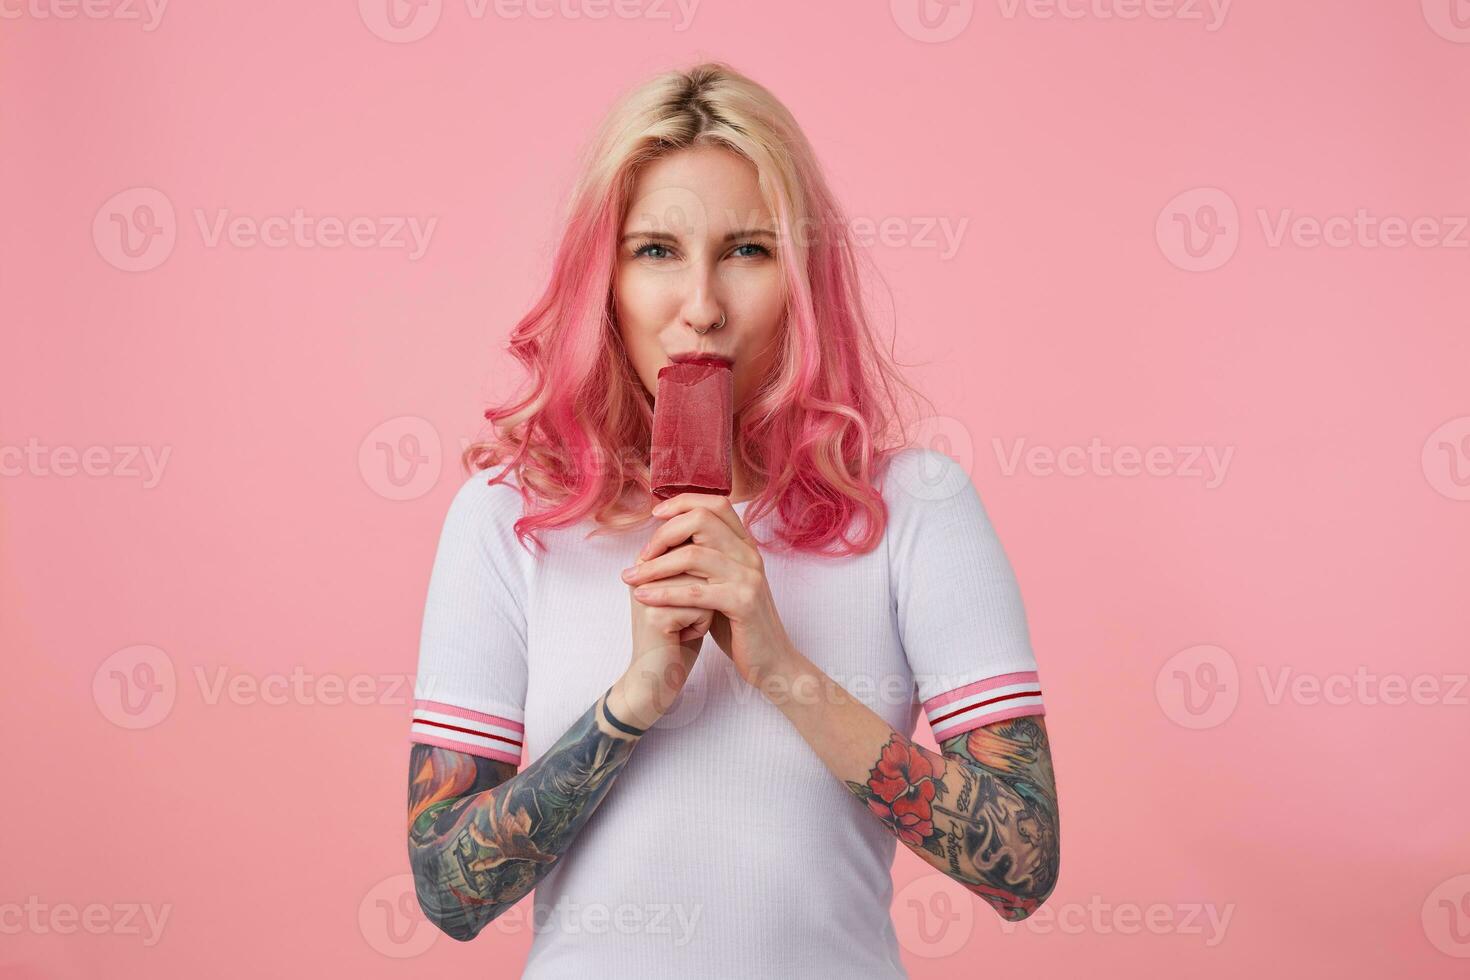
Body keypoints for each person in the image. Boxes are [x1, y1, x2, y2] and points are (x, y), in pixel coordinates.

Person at [405, 61, 1059, 979]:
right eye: (656, 251)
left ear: (800, 279)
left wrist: (778, 666)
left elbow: (1023, 865)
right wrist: (635, 700)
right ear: (604, 279)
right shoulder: (511, 518)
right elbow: (447, 891)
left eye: (748, 250)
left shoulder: (917, 509)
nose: (702, 307)